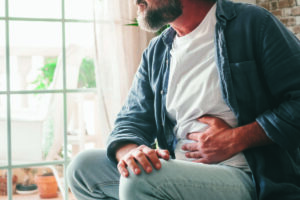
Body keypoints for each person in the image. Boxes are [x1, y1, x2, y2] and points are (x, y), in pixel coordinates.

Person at [67, 0, 300, 199]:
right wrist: (131, 153)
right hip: (178, 171)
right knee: (83, 168)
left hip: (247, 176)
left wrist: (236, 139)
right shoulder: (157, 52)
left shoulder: (252, 24)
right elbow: (130, 119)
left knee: (141, 181)